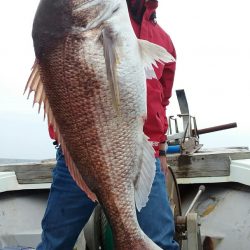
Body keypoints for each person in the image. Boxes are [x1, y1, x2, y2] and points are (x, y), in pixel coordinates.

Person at [37, 0, 178, 249]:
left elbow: (161, 100)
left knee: (160, 241)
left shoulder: (162, 39)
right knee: (54, 242)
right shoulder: (71, 28)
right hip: (79, 158)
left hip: (144, 151)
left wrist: (163, 147)